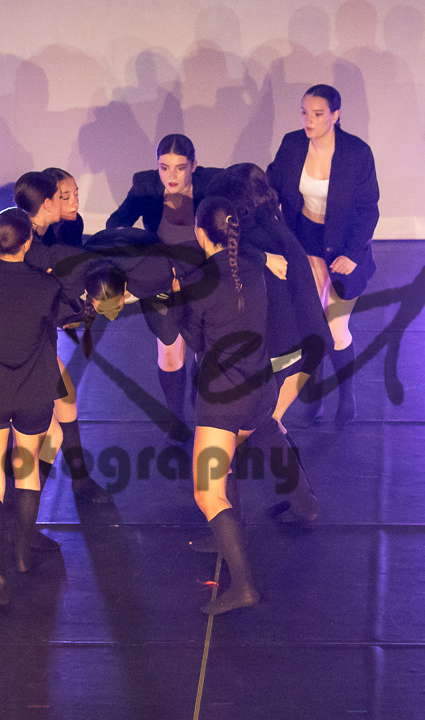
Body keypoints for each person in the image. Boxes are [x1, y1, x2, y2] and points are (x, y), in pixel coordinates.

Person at [171, 196, 318, 615]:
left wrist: (179, 303)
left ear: (200, 233)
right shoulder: (253, 268)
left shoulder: (202, 283)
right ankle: (305, 506)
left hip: (223, 397)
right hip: (260, 385)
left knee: (208, 491)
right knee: (264, 432)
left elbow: (195, 340)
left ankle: (244, 587)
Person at [0, 171, 114, 505]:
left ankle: (23, 486)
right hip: (24, 337)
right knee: (52, 419)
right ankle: (26, 489)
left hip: (37, 330)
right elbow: (1, 251)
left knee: (60, 408)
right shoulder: (25, 237)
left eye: (74, 194)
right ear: (47, 203)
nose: (73, 202)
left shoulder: (67, 227)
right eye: (65, 196)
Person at [0, 207, 76, 607]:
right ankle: (23, 554)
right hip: (32, 392)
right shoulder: (46, 287)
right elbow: (76, 306)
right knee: (27, 474)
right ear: (28, 242)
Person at [267, 84, 379, 427]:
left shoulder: (356, 153)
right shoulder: (292, 144)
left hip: (343, 247)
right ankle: (312, 397)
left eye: (317, 114)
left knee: (335, 328)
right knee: (309, 323)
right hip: (303, 242)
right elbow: (272, 185)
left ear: (336, 115)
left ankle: (346, 396)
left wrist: (352, 254)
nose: (309, 120)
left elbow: (368, 209)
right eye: (304, 112)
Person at [106, 134, 222, 439]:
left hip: (202, 278)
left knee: (204, 348)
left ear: (193, 165)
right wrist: (133, 251)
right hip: (161, 278)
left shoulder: (211, 185)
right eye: (164, 167)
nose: (171, 176)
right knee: (170, 351)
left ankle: (201, 401)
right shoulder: (146, 186)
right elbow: (116, 222)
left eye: (180, 168)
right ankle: (175, 416)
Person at [205, 163, 331, 429]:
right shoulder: (266, 218)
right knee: (289, 364)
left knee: (269, 386)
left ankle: (268, 422)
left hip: (282, 321)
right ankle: (269, 421)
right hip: (292, 320)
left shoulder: (255, 224)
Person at [40, 167, 84, 247]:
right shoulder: (33, 230)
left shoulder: (75, 221)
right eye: (65, 197)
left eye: (76, 194)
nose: (75, 203)